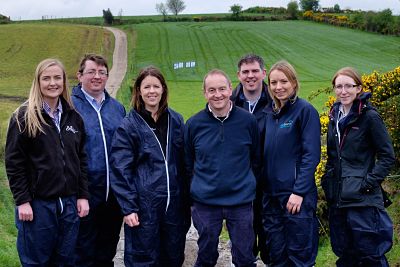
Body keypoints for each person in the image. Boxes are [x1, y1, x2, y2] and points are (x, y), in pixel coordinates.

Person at [5, 58, 89, 267]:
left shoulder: (73, 117)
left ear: (64, 81)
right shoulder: (24, 117)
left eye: (57, 78)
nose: (53, 83)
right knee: (36, 262)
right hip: (37, 205)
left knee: (65, 260)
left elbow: (81, 160)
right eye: (47, 78)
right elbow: (14, 163)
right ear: (38, 82)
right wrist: (22, 200)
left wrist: (82, 195)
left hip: (69, 204)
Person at [110, 66, 189, 267]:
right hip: (145, 207)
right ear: (139, 91)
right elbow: (120, 169)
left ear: (163, 89)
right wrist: (128, 207)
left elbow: (185, 163)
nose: (152, 91)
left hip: (174, 205)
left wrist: (189, 200)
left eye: (156, 86)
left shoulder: (176, 120)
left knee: (172, 256)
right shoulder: (129, 125)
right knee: (143, 258)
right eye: (147, 87)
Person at [185, 69, 260, 267]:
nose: (217, 94)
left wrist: (247, 183)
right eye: (211, 90)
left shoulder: (248, 121)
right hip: (206, 202)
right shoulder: (193, 124)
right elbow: (187, 162)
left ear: (230, 89)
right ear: (205, 93)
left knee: (245, 256)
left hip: (241, 201)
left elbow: (256, 158)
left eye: (221, 89)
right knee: (206, 255)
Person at [322, 67, 395, 266]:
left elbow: (388, 156)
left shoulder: (369, 117)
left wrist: (368, 183)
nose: (343, 91)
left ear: (359, 88)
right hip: (338, 198)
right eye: (339, 86)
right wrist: (328, 181)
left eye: (349, 86)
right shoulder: (334, 117)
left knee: (371, 254)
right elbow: (332, 157)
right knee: (345, 254)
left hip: (363, 200)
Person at [261, 60, 320, 266]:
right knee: (276, 255)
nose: (278, 87)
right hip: (272, 197)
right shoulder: (271, 115)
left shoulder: (305, 111)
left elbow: (311, 155)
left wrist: (299, 192)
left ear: (294, 83)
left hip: (295, 198)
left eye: (284, 81)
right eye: (273, 83)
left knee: (299, 256)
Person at [71, 54, 126, 267]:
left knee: (107, 250)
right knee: (82, 250)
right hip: (84, 194)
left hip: (112, 196)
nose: (97, 77)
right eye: (91, 72)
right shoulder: (69, 107)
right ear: (80, 75)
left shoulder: (117, 108)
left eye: (102, 72)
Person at [231, 54, 272, 264]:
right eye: (245, 72)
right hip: (240, 185)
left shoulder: (276, 103)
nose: (250, 76)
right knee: (243, 244)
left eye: (255, 71)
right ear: (238, 75)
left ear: (263, 73)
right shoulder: (229, 103)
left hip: (269, 184)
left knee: (270, 240)